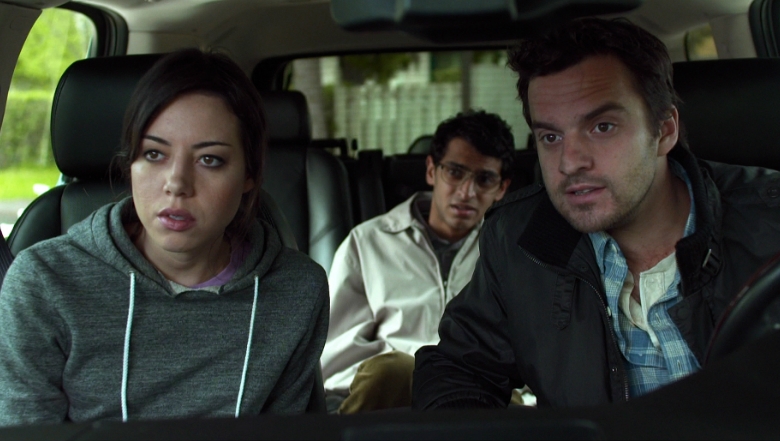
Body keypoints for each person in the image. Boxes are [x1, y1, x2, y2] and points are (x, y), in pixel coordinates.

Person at [412, 17, 780, 409]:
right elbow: (458, 367)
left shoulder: (769, 223)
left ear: (664, 130)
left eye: (602, 127)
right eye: (550, 136)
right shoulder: (519, 240)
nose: (569, 162)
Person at [0, 48, 329, 426]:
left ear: (249, 175)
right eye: (154, 154)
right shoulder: (43, 283)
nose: (177, 183)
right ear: (130, 163)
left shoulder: (297, 289)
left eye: (209, 159)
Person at [322, 110, 515, 414]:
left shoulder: (511, 253)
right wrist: (417, 372)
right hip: (393, 394)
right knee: (390, 372)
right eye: (455, 172)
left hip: (481, 393)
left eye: (485, 179)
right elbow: (336, 358)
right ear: (431, 171)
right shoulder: (368, 242)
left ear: (501, 188)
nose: (467, 192)